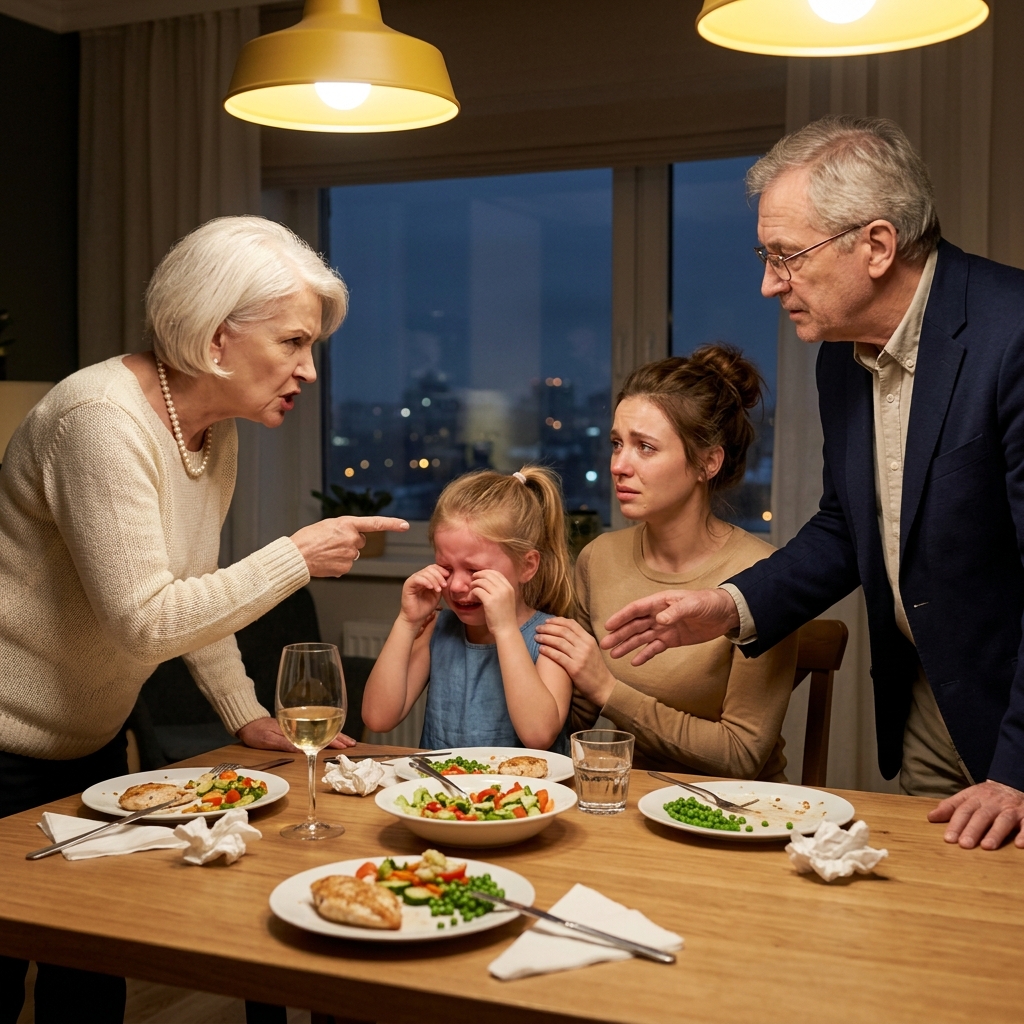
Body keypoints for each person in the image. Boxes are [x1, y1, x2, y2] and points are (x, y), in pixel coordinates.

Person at [0, 215, 409, 1022]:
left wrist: (245, 714)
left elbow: (192, 590)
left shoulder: (207, 431)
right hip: (3, 749)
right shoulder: (101, 420)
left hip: (86, 746)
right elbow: (144, 623)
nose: (310, 371)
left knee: (92, 970)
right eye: (294, 342)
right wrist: (294, 556)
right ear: (217, 339)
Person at [601, 115, 1024, 851]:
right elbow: (845, 526)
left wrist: (1019, 768)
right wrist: (727, 606)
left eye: (787, 257)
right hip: (932, 698)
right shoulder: (841, 354)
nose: (770, 284)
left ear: (877, 245)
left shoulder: (1012, 334)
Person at [534, 348, 798, 779]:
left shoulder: (764, 576)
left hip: (733, 812)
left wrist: (608, 689)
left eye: (646, 447)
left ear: (707, 463)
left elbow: (741, 754)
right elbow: (574, 715)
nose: (619, 465)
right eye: (617, 444)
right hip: (622, 799)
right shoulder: (598, 558)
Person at [362, 467, 574, 752]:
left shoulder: (551, 638)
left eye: (475, 570)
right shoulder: (438, 629)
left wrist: (505, 629)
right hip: (444, 792)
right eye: (447, 568)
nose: (458, 585)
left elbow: (538, 736)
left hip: (522, 794)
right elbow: (378, 718)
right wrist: (406, 622)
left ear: (527, 566)